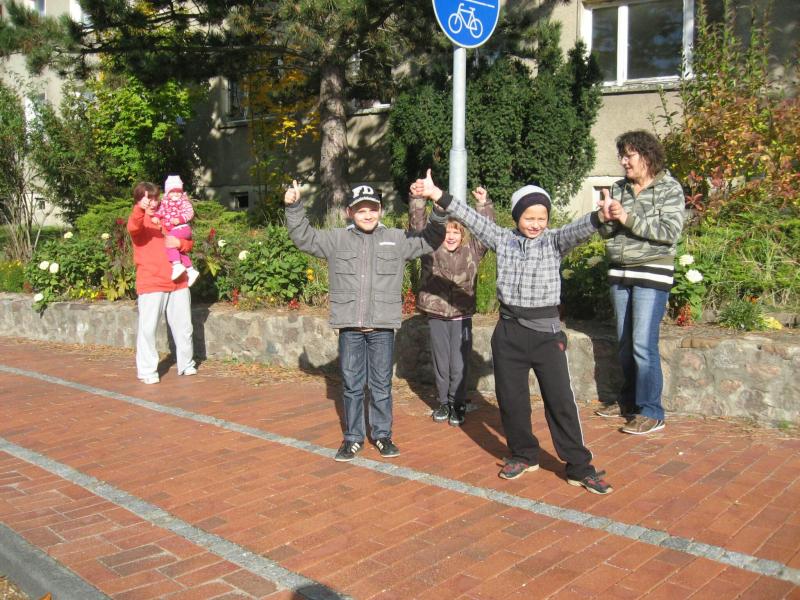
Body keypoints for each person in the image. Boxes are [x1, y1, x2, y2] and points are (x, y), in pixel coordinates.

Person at [412, 169, 614, 494]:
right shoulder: (503, 240)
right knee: (512, 400)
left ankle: (579, 466)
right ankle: (523, 454)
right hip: (508, 333)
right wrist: (437, 195)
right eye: (529, 217)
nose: (535, 224)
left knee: (560, 400)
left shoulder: (554, 241)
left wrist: (599, 216)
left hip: (547, 335)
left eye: (541, 218)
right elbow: (471, 218)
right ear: (517, 216)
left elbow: (577, 230)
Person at [284, 180, 446, 462]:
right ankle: (353, 438)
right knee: (352, 385)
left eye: (372, 209)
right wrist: (294, 207)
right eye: (361, 210)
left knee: (381, 385)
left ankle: (382, 435)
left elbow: (430, 239)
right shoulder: (336, 239)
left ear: (380, 210)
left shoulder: (397, 239)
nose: (368, 215)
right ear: (350, 212)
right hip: (350, 328)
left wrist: (439, 208)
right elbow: (304, 238)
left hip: (382, 328)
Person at [594, 130, 686, 435]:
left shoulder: (669, 188)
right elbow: (608, 233)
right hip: (620, 273)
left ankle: (651, 411)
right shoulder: (618, 188)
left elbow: (669, 232)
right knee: (625, 343)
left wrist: (627, 217)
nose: (623, 161)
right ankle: (629, 402)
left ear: (647, 156)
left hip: (652, 272)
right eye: (621, 156)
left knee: (643, 344)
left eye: (629, 155)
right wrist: (605, 218)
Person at [409, 187, 494, 427]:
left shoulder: (473, 250)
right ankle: (444, 402)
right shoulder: (431, 248)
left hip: (461, 316)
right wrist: (417, 198)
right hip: (437, 314)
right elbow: (417, 227)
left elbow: (488, 232)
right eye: (447, 231)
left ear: (463, 233)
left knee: (459, 364)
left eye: (456, 231)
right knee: (441, 362)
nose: (451, 236)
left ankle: (458, 403)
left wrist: (483, 204)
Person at [128, 182, 197, 385]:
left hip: (178, 281)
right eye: (146, 198)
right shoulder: (139, 220)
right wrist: (140, 209)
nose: (152, 202)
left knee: (184, 327)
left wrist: (180, 243)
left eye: (154, 198)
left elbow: (187, 242)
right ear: (138, 200)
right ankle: (147, 371)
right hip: (152, 282)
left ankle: (186, 364)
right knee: (148, 329)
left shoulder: (167, 217)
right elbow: (133, 227)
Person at [153, 175, 200, 287]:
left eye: (178, 192)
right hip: (176, 229)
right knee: (179, 251)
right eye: (172, 192)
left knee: (169, 242)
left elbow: (189, 213)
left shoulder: (183, 201)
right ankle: (191, 270)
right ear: (167, 193)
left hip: (182, 228)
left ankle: (177, 265)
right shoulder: (164, 203)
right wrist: (156, 216)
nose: (176, 194)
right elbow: (160, 211)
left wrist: (180, 219)